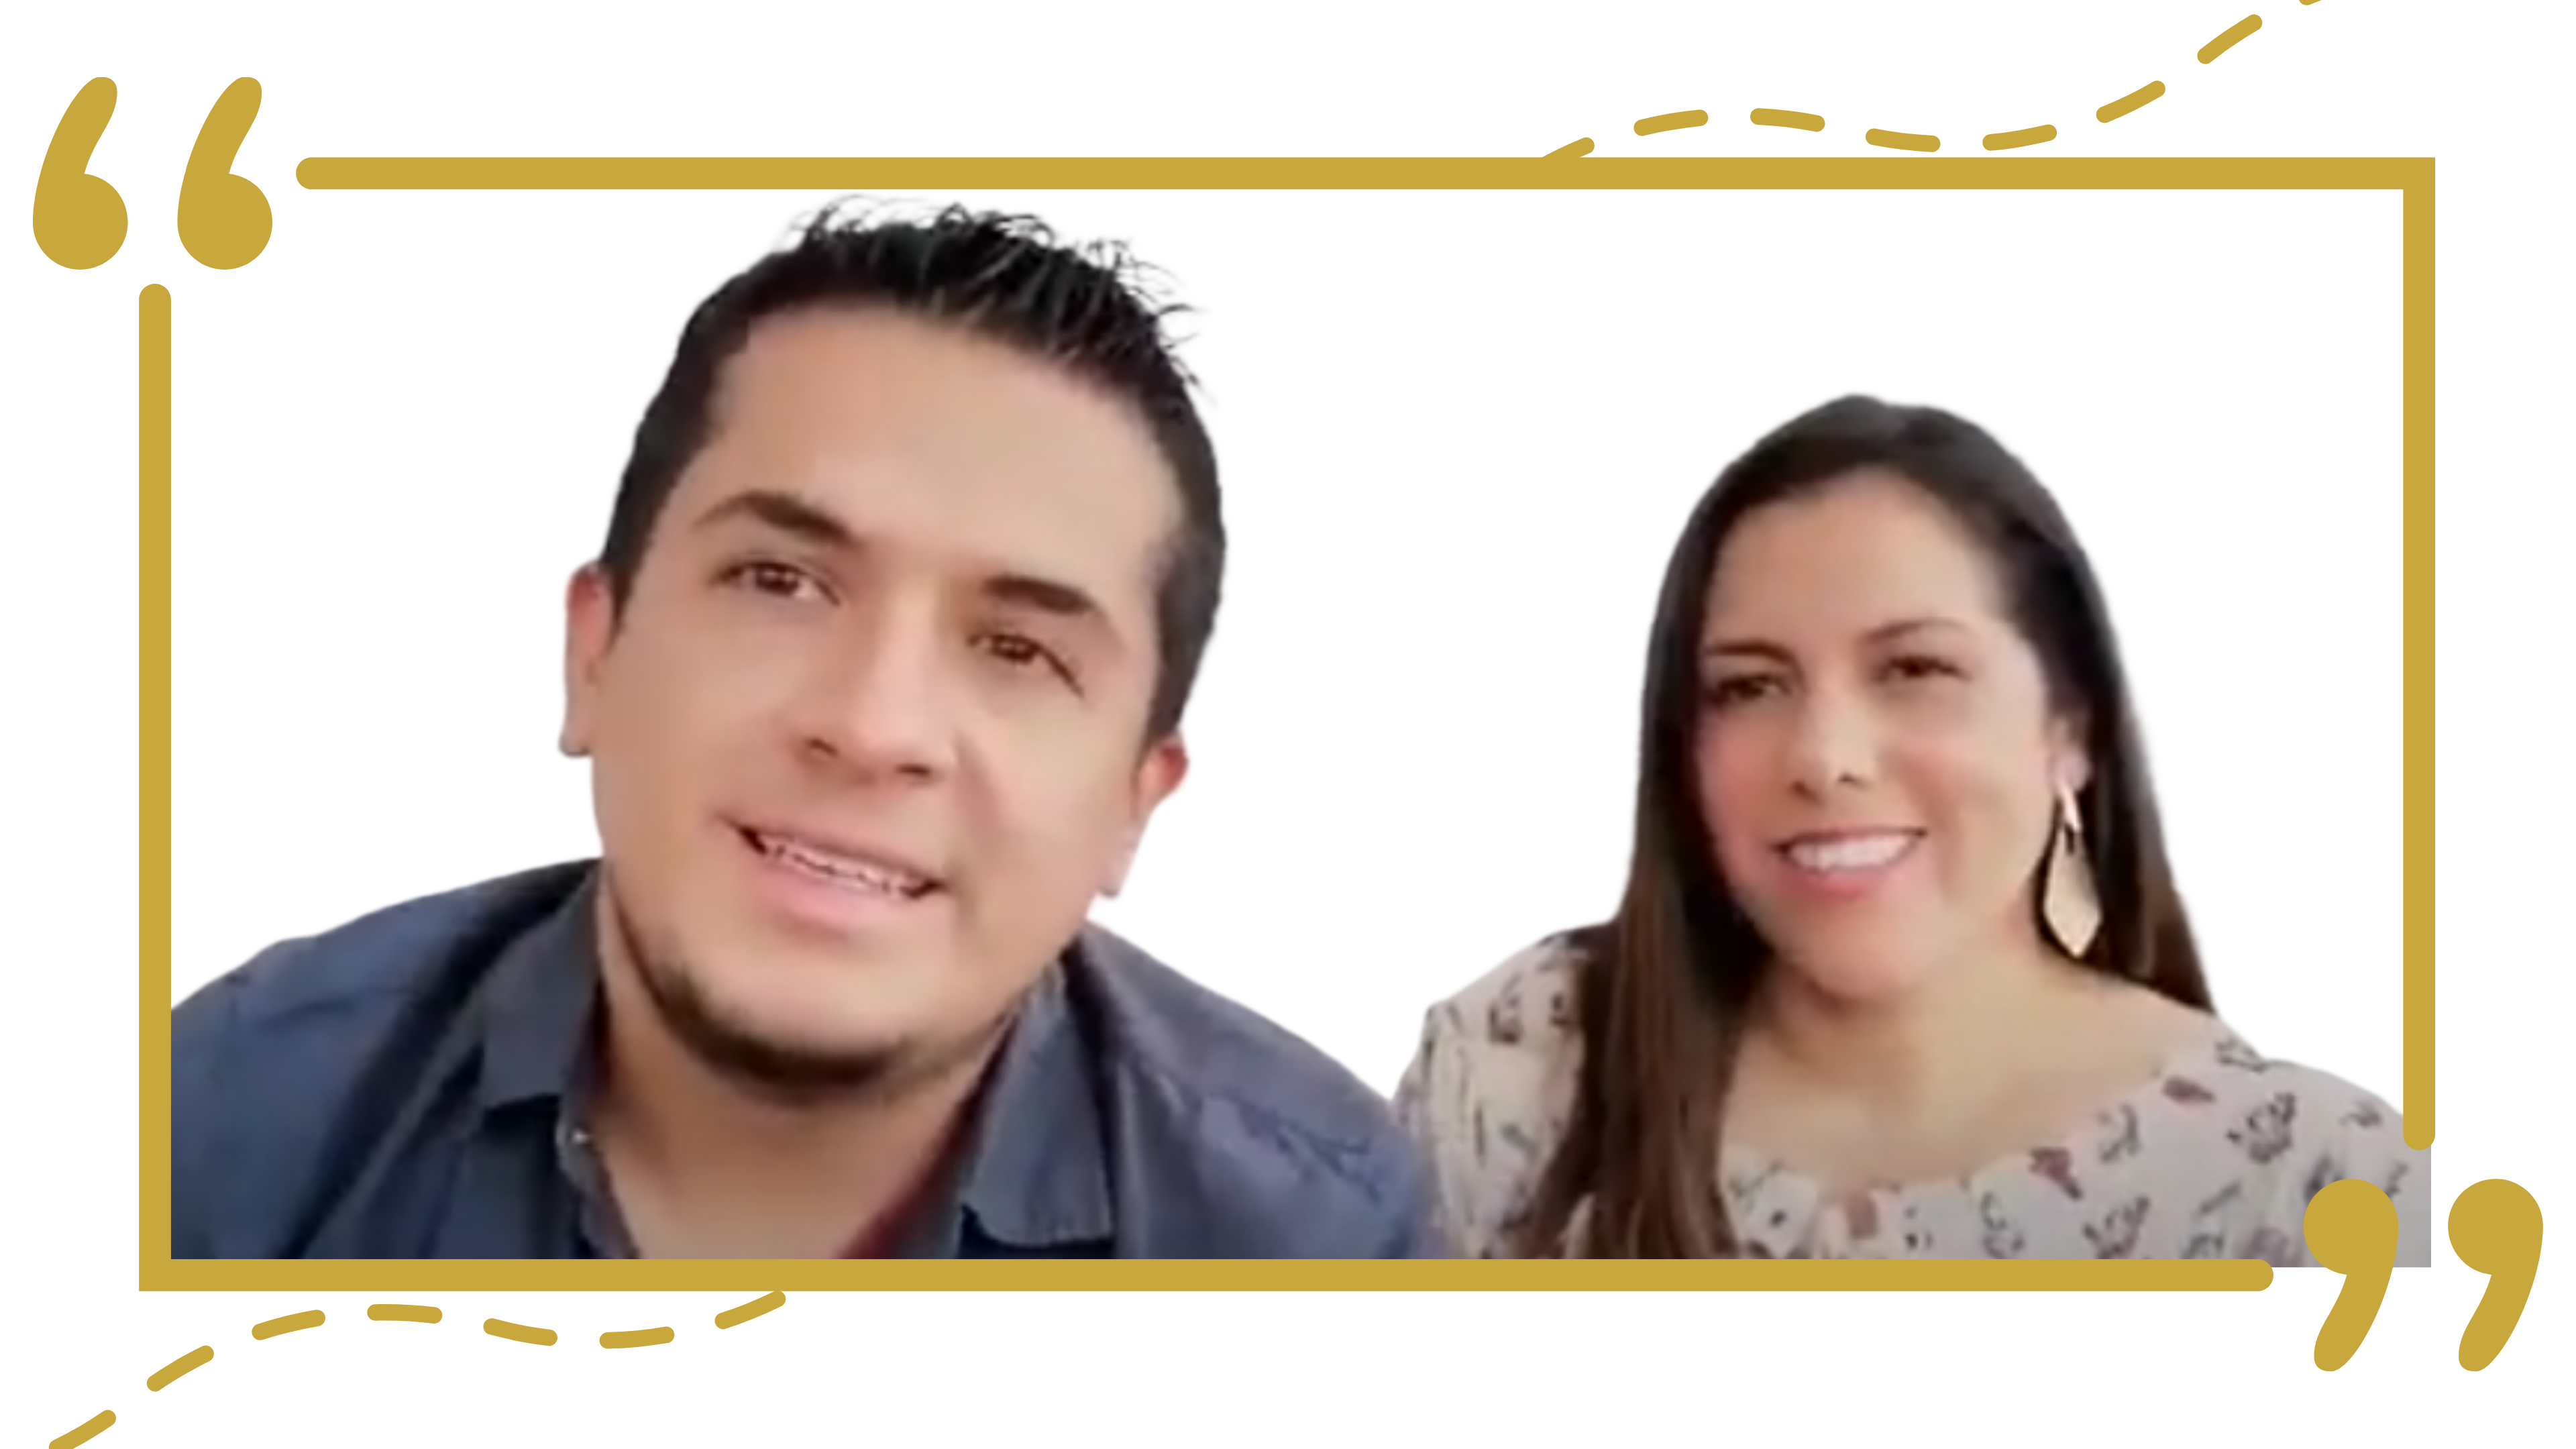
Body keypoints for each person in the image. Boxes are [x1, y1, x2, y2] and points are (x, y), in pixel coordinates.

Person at [172, 202, 1442, 1260]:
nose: (871, 725)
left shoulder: (1317, 1244)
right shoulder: (218, 1126)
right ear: (593, 654)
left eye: (1018, 650)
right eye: (779, 583)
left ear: (1133, 805)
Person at [1392, 396, 2426, 1262]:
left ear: (2071, 728)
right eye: (1749, 685)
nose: (1824, 756)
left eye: (1915, 669)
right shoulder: (1521, 1070)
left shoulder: (2317, 1193)